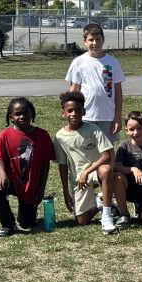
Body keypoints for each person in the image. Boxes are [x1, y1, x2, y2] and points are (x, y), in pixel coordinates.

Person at [53, 91, 118, 234]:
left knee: (105, 170)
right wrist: (65, 193)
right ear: (63, 113)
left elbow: (107, 155)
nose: (74, 114)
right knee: (82, 221)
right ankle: (99, 205)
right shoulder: (59, 137)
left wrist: (87, 171)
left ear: (84, 111)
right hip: (79, 179)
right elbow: (63, 165)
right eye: (69, 111)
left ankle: (107, 217)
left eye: (77, 110)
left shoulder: (93, 129)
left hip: (96, 171)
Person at [0, 97, 55, 237]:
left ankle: (27, 216)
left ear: (32, 113)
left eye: (26, 112)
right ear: (11, 117)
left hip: (31, 184)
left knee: (27, 224)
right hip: (11, 180)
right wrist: (2, 175)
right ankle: (8, 224)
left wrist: (41, 187)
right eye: (18, 113)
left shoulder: (42, 135)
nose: (22, 116)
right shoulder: (5, 135)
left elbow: (45, 164)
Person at [65, 23, 125, 144]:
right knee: (87, 150)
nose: (94, 43)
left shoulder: (113, 62)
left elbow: (118, 93)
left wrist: (117, 117)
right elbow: (74, 90)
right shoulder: (78, 62)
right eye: (91, 40)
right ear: (85, 42)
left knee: (107, 153)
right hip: (86, 115)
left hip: (107, 116)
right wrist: (71, 112)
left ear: (103, 40)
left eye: (98, 39)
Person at [112, 111, 142, 226]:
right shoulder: (124, 146)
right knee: (117, 177)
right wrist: (133, 169)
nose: (136, 132)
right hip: (129, 189)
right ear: (126, 131)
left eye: (139, 128)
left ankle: (141, 207)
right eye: (132, 129)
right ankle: (124, 214)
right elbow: (116, 167)